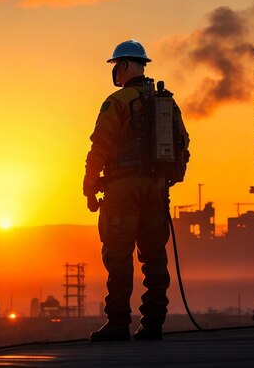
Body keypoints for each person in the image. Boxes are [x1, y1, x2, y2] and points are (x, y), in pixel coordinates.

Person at [83, 39, 189, 342]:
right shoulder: (166, 103)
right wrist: (168, 179)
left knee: (118, 255)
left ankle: (118, 324)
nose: (115, 71)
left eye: (116, 65)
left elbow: (99, 146)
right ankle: (153, 324)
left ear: (125, 65)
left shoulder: (117, 101)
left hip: (122, 188)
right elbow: (183, 144)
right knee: (155, 257)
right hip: (156, 188)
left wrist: (89, 186)